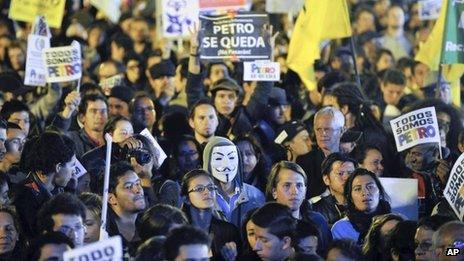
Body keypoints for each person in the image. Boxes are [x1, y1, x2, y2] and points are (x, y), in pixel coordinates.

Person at [14, 132, 76, 239]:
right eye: (72, 165)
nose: (74, 171)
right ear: (58, 167)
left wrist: (71, 193)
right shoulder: (24, 197)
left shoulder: (59, 190)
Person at [265, 161, 332, 253]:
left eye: (299, 185)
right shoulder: (264, 226)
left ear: (305, 191)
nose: (294, 191)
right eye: (287, 185)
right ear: (274, 192)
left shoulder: (318, 222)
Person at [203, 136, 265, 228]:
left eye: (231, 157)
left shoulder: (255, 195)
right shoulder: (198, 197)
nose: (226, 165)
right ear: (208, 162)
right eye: (218, 159)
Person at [180, 169, 240, 261]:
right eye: (199, 189)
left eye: (211, 188)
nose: (207, 192)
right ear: (186, 198)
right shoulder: (178, 232)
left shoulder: (228, 231)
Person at [331, 168, 391, 245]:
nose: (365, 193)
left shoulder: (394, 222)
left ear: (379, 192)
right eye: (358, 189)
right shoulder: (342, 228)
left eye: (370, 187)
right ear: (350, 198)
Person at [104, 162, 146, 257]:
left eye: (138, 183)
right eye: (128, 186)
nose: (138, 190)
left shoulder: (149, 224)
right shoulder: (104, 232)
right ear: (111, 198)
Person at [302, 106, 345, 198]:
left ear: (341, 131)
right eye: (319, 129)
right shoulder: (305, 162)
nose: (322, 134)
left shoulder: (351, 161)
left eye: (327, 129)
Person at [52, 93, 108, 158]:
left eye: (103, 111)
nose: (100, 116)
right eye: (94, 111)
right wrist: (68, 110)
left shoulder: (113, 137)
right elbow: (54, 138)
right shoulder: (73, 139)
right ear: (82, 117)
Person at [312, 153, 357, 226]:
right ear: (326, 179)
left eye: (350, 173)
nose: (346, 178)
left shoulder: (364, 204)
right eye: (340, 173)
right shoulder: (314, 210)